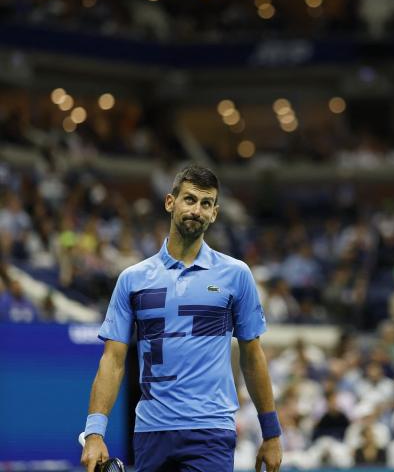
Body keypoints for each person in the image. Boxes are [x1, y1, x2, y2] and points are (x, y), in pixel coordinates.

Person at [80, 165, 282, 472]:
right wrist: (95, 432)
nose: (196, 210)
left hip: (211, 430)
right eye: (189, 199)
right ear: (170, 202)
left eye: (206, 203)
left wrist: (272, 433)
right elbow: (113, 361)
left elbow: (252, 357)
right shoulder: (132, 279)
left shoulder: (236, 275)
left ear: (215, 213)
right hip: (150, 432)